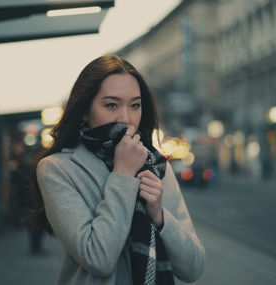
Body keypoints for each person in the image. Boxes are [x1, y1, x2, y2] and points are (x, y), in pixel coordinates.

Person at [30, 55, 205, 284]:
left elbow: (193, 268)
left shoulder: (156, 165)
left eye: (135, 105)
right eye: (111, 105)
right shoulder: (57, 169)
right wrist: (123, 174)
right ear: (84, 110)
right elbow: (98, 258)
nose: (126, 118)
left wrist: (160, 217)